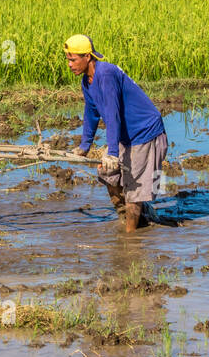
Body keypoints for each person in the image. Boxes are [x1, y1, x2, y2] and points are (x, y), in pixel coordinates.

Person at [64, 34, 168, 232]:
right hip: (124, 135)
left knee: (134, 191)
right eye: (68, 60)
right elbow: (92, 112)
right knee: (108, 175)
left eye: (73, 59)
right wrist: (84, 146)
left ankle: (130, 241)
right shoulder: (87, 81)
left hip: (145, 133)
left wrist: (112, 152)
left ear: (87, 57)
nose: (69, 64)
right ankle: (135, 219)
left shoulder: (107, 74)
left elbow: (112, 114)